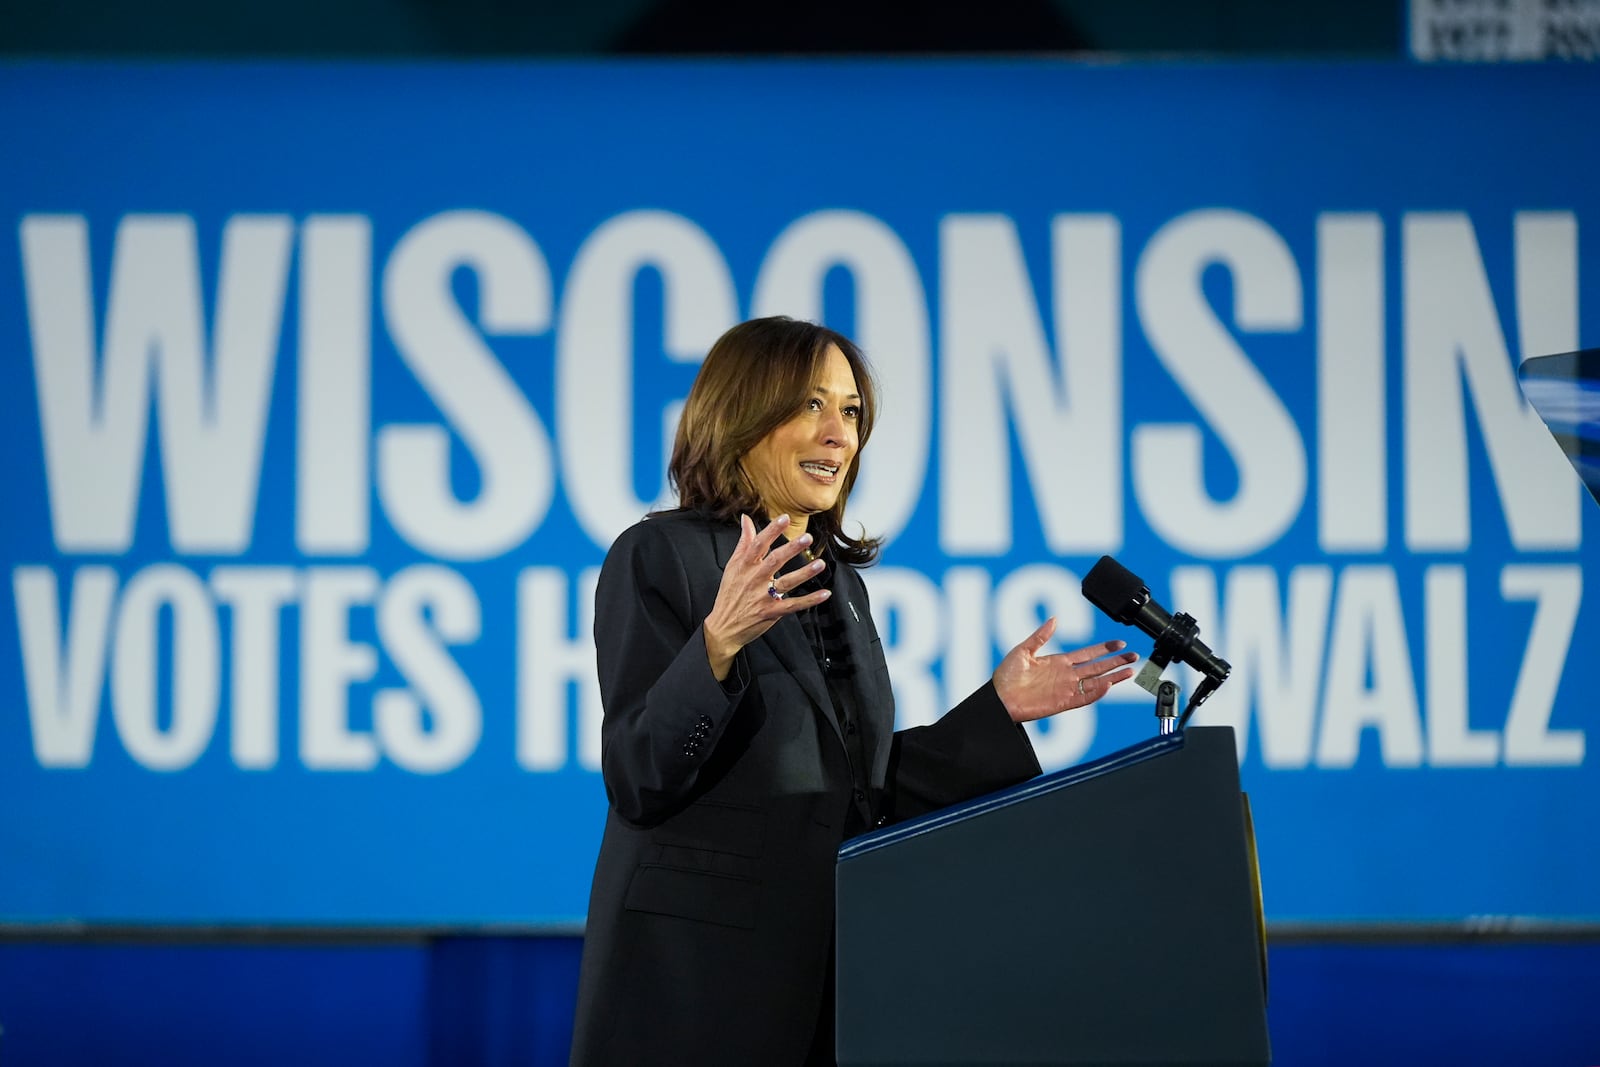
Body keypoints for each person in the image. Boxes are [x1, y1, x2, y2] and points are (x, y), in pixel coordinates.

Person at [568, 316, 1137, 1066]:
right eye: (811, 404)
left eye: (851, 411)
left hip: (825, 991)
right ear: (740, 413)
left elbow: (849, 793)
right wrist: (717, 644)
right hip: (693, 993)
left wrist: (996, 714)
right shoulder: (659, 556)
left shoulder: (841, 589)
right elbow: (639, 774)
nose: (840, 434)